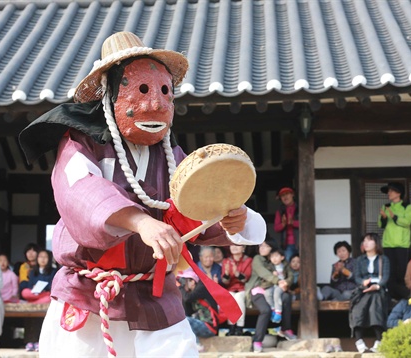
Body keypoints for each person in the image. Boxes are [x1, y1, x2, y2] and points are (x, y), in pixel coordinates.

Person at [19, 31, 266, 357]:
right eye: (142, 90)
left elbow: (188, 207)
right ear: (111, 94)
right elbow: (79, 190)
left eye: (164, 91)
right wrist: (140, 222)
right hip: (90, 292)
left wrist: (233, 217)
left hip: (154, 290)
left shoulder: (171, 156)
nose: (155, 103)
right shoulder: (81, 143)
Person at [245, 239, 296, 353]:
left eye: (265, 246)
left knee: (286, 298)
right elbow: (263, 272)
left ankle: (286, 329)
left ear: (271, 249)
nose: (261, 248)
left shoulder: (277, 261)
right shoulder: (257, 258)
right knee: (266, 310)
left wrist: (286, 283)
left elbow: (289, 274)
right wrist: (278, 281)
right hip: (257, 290)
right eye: (260, 246)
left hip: (273, 291)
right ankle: (257, 341)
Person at [349, 233, 390, 354]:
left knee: (375, 304)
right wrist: (364, 282)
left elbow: (386, 277)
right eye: (364, 241)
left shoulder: (384, 259)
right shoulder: (359, 260)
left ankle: (378, 340)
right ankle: (359, 340)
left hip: (379, 290)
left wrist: (377, 285)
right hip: (363, 290)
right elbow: (357, 278)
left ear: (376, 243)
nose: (365, 243)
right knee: (359, 307)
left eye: (369, 240)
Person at [378, 182, 411, 300]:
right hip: (388, 243)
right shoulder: (385, 206)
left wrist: (394, 216)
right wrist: (383, 217)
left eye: (391, 191)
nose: (389, 193)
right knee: (390, 272)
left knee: (402, 271)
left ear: (398, 193)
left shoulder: (407, 206)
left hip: (402, 244)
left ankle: (404, 296)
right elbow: (380, 225)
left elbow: (407, 222)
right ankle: (392, 297)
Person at [178, 268, 219, 352]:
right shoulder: (191, 294)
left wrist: (181, 287)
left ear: (193, 281)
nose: (183, 283)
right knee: (179, 321)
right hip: (200, 325)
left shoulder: (202, 287)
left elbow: (187, 298)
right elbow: (187, 312)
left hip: (209, 327)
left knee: (184, 320)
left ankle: (197, 345)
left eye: (185, 281)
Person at [220, 243, 252, 335]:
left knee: (238, 297)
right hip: (230, 288)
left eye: (237, 245)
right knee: (231, 297)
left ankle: (239, 327)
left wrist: (237, 274)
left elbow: (247, 279)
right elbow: (225, 282)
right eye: (232, 245)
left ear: (243, 248)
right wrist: (226, 273)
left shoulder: (248, 260)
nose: (234, 247)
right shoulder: (226, 261)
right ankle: (232, 327)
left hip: (244, 289)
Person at [274, 187, 299, 262]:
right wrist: (283, 224)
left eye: (287, 194)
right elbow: (276, 228)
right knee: (289, 266)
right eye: (282, 195)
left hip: (302, 242)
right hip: (287, 244)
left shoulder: (300, 207)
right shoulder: (280, 211)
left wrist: (293, 223)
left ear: (292, 195)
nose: (285, 197)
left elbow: (307, 225)